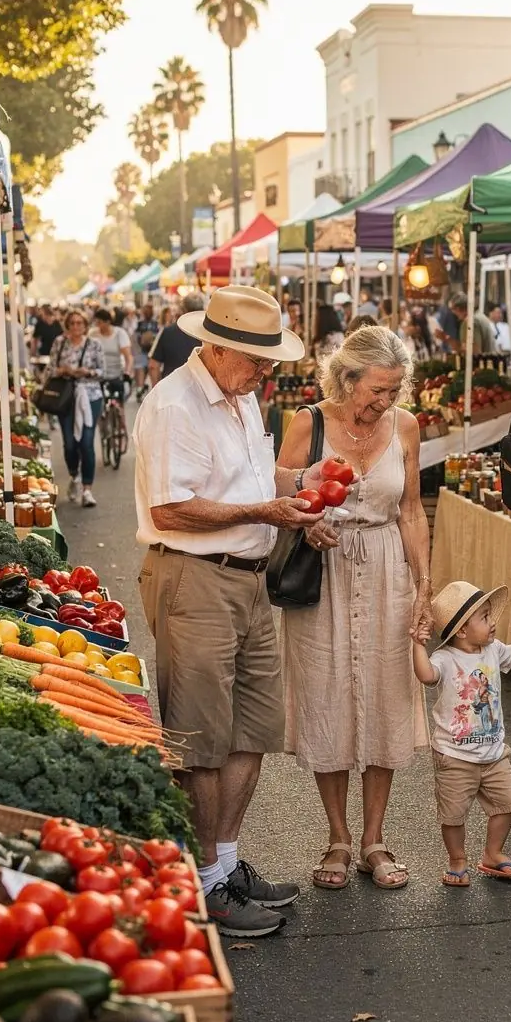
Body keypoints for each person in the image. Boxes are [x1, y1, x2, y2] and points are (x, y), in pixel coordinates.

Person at [134, 285, 343, 939]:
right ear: (217, 347)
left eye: (270, 361)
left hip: (249, 579)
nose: (266, 372)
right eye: (257, 360)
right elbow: (171, 509)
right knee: (199, 739)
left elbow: (251, 482)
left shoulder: (242, 395)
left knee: (252, 729)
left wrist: (300, 489)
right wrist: (265, 511)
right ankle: (203, 883)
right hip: (194, 578)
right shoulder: (175, 405)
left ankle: (223, 865)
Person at [278, 326, 433, 892]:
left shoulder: (406, 426)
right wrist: (306, 521)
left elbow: (411, 511)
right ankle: (338, 837)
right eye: (376, 390)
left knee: (388, 694)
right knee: (327, 695)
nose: (385, 401)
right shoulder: (308, 424)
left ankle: (374, 838)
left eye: (394, 390)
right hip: (322, 571)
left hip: (388, 568)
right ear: (346, 379)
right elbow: (279, 492)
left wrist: (424, 584)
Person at [413, 583, 511, 886]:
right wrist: (417, 645)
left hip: (494, 753)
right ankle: (457, 859)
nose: (492, 622)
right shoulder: (445, 658)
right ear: (462, 631)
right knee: (453, 816)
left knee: (508, 805)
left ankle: (493, 853)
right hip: (454, 755)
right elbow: (426, 675)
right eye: (484, 617)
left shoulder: (493, 650)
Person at [49, 309, 106, 508]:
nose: (75, 326)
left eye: (79, 323)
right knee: (70, 443)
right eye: (72, 323)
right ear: (67, 325)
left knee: (87, 443)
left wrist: (87, 372)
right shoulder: (59, 343)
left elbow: (102, 371)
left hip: (90, 397)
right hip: (65, 398)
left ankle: (87, 489)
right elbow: (49, 370)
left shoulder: (94, 345)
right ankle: (74, 475)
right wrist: (62, 370)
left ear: (85, 325)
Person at [148, 296, 201, 385]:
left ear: (182, 310)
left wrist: (157, 389)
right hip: (200, 388)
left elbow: (153, 366)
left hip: (171, 386)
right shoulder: (209, 335)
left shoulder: (167, 332)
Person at [90, 308, 132, 399]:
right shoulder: (93, 334)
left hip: (116, 375)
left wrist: (127, 373)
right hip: (98, 376)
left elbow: (128, 357)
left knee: (118, 402)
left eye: (100, 322)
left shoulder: (119, 333)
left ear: (108, 322)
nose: (97, 325)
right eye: (96, 322)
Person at [448, 292, 495, 356]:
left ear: (457, 308)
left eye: (452, 309)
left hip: (480, 362)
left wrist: (449, 340)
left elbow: (474, 352)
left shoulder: (470, 322)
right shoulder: (481, 316)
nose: (453, 313)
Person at [132, 302, 159, 397]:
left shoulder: (155, 324)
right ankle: (141, 387)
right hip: (144, 350)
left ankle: (147, 388)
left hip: (151, 351)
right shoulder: (141, 324)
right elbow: (136, 337)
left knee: (148, 368)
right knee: (142, 368)